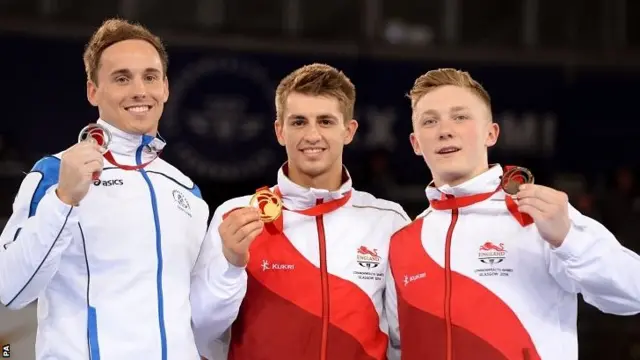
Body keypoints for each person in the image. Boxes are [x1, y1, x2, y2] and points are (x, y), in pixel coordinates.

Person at [0, 19, 241, 360]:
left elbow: (200, 322)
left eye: (150, 76)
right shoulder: (55, 173)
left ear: (166, 87)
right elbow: (11, 290)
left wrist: (231, 265)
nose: (140, 90)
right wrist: (64, 200)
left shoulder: (187, 193)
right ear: (93, 91)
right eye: (122, 78)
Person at [385, 68, 640, 360]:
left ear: (490, 134)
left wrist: (568, 240)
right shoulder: (403, 242)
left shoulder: (536, 214)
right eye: (429, 121)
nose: (445, 130)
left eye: (460, 117)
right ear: (416, 143)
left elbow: (633, 291)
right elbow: (398, 347)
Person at [194, 63, 410, 360]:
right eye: (298, 122)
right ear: (279, 131)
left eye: (325, 121)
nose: (311, 135)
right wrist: (231, 265)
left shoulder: (388, 221)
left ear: (348, 131)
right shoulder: (236, 215)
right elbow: (202, 332)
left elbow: (405, 339)